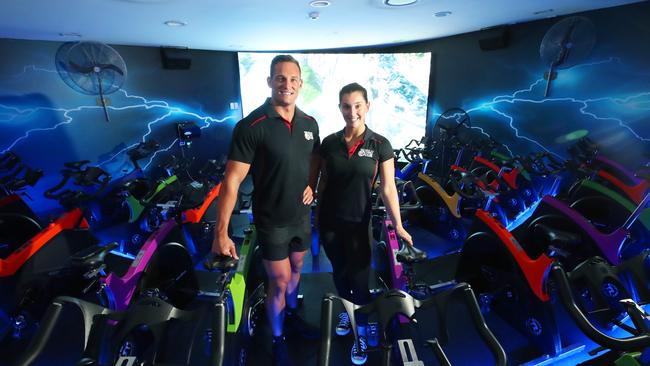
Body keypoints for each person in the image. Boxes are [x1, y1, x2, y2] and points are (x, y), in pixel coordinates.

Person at [210, 54, 320, 366]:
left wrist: (312, 183)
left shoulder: (310, 124)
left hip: (301, 219)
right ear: (270, 81)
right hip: (272, 223)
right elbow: (231, 181)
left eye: (293, 79)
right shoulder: (252, 126)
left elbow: (314, 159)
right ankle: (277, 337)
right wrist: (221, 233)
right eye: (280, 78)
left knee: (297, 272)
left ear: (300, 83)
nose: (287, 84)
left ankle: (293, 317)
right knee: (280, 282)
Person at [316, 82, 413, 365]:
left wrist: (399, 224)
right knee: (340, 275)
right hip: (330, 225)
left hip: (359, 226)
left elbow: (388, 189)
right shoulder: (330, 143)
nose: (352, 111)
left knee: (359, 281)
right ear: (340, 108)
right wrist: (316, 220)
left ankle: (359, 338)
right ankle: (347, 310)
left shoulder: (380, 144)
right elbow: (323, 184)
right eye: (346, 106)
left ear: (367, 106)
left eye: (357, 105)